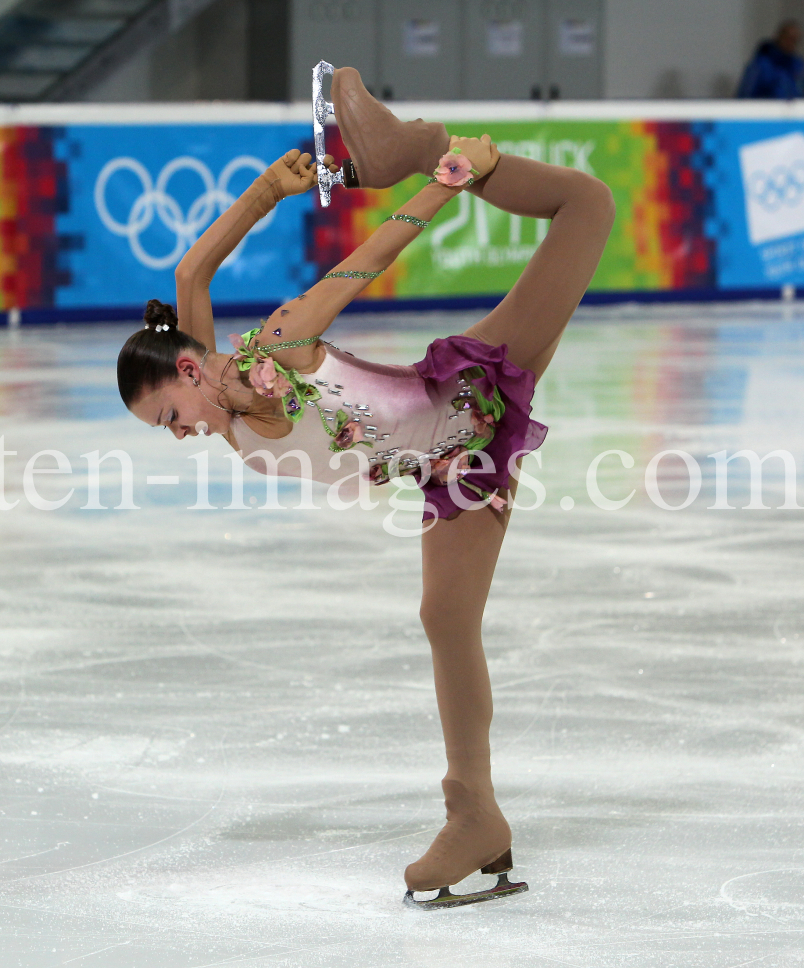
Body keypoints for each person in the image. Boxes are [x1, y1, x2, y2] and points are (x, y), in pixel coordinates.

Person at [117, 67, 614, 905]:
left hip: (470, 395)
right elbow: (194, 272)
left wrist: (447, 178)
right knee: (445, 617)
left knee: (588, 204)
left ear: (191, 370)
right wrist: (268, 190)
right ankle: (476, 815)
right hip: (450, 462)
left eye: (169, 416)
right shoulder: (225, 402)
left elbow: (370, 256)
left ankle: (415, 145)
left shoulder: (278, 344)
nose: (180, 436)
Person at [737, 18, 804, 99]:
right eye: (788, 38)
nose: (790, 43)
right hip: (767, 110)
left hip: (795, 110)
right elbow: (745, 95)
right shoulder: (761, 65)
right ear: (779, 37)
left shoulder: (798, 66)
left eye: (795, 40)